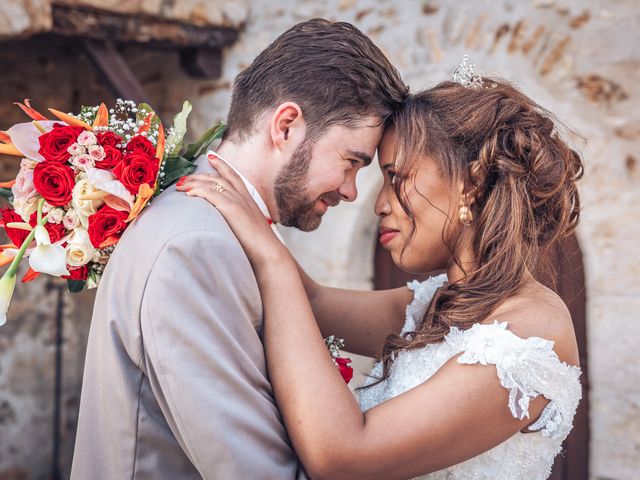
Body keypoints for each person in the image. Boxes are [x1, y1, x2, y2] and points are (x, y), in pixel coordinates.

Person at [179, 76, 584, 479]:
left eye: (397, 178)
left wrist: (272, 260)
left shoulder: (532, 331)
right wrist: (246, 188)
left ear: (471, 184)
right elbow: (312, 303)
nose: (378, 204)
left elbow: (342, 457)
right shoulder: (436, 304)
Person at [71, 19, 407, 479]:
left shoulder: (217, 227)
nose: (352, 191)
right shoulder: (195, 247)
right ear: (286, 126)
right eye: (352, 162)